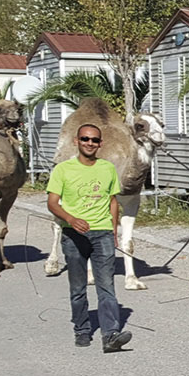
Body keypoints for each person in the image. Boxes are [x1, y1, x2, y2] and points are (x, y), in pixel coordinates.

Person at [46, 122, 132, 353]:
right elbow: (52, 203)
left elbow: (113, 201)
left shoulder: (107, 169)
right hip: (74, 234)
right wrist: (71, 219)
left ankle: (110, 334)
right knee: (78, 287)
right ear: (77, 141)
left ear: (100, 144)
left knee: (107, 287)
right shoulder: (63, 170)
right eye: (85, 139)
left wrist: (114, 231)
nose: (90, 143)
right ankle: (82, 329)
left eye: (94, 140)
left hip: (102, 233)